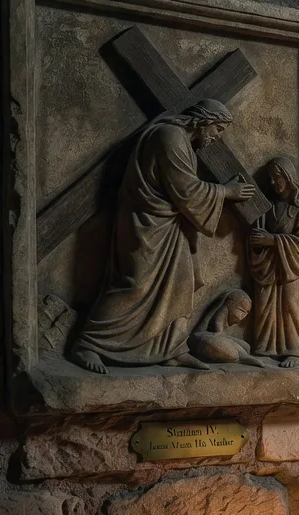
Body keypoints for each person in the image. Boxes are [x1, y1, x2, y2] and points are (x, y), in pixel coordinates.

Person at [70, 99, 256, 374]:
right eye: (217, 130)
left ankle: (170, 350)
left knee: (181, 286)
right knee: (135, 285)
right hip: (147, 224)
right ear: (203, 120)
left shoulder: (183, 143)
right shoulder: (169, 136)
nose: (216, 137)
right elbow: (184, 190)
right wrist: (225, 191)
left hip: (170, 227)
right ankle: (88, 344)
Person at [248, 156, 299, 367]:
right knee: (264, 305)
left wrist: (273, 240)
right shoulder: (268, 206)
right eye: (271, 178)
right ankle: (265, 348)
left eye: (278, 177)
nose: (274, 182)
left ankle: (296, 350)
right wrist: (259, 240)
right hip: (267, 265)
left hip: (290, 266)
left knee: (291, 306)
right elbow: (257, 234)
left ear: (289, 177)